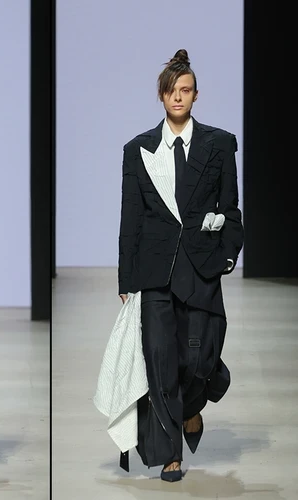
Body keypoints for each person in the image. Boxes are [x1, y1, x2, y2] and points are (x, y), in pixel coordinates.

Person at [117, 49, 243, 482]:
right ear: (161, 95)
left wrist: (227, 255)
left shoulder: (219, 144)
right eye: (171, 91)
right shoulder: (138, 149)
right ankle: (170, 454)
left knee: (197, 360)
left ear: (195, 95)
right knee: (160, 362)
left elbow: (230, 208)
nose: (178, 97)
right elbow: (130, 218)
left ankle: (193, 405)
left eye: (185, 91)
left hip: (201, 267)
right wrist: (126, 279)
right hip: (155, 271)